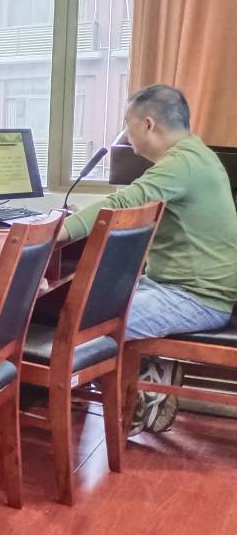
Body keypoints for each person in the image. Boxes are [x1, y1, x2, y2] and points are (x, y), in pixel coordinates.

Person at [60, 85, 237, 435]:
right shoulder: (197, 154)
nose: (127, 134)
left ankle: (143, 386)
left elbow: (124, 202)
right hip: (176, 285)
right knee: (89, 298)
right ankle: (152, 373)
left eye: (128, 123)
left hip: (199, 298)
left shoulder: (181, 164)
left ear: (148, 124)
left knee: (87, 322)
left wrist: (58, 231)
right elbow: (132, 207)